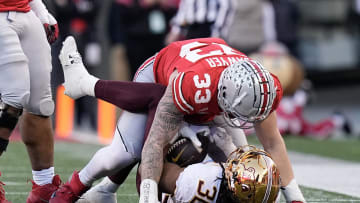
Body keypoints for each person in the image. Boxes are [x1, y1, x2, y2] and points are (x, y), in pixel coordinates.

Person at [50, 36, 305, 203]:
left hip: (211, 87)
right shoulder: (196, 85)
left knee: (238, 164)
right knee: (123, 154)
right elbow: (155, 142)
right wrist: (148, 196)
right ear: (226, 98)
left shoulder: (260, 87)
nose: (243, 121)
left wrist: (295, 198)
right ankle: (76, 190)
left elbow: (272, 144)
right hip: (162, 76)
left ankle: (105, 191)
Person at [0, 0, 61, 202]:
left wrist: (41, 12)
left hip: (25, 13)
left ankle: (44, 186)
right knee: (15, 96)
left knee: (40, 103)